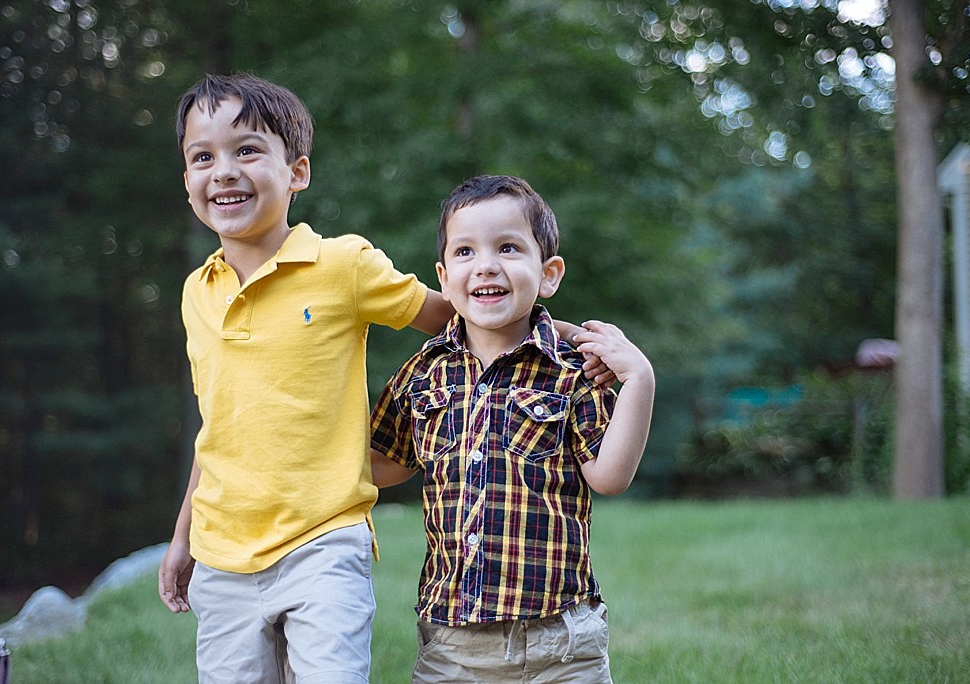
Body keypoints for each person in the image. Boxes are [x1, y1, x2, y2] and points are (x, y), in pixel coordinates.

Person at [156, 74, 607, 683]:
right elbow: (218, 425)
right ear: (186, 181)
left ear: (298, 172)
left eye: (247, 150)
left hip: (324, 539)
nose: (224, 171)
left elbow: (456, 310)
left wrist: (552, 347)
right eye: (201, 157)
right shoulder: (195, 294)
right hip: (221, 554)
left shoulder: (344, 265)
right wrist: (183, 534)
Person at [370, 175, 656, 683]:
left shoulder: (573, 372)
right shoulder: (422, 373)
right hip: (452, 645)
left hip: (561, 643)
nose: (485, 265)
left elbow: (610, 476)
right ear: (443, 275)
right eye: (464, 251)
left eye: (507, 247)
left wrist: (639, 378)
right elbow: (382, 465)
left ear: (548, 274)